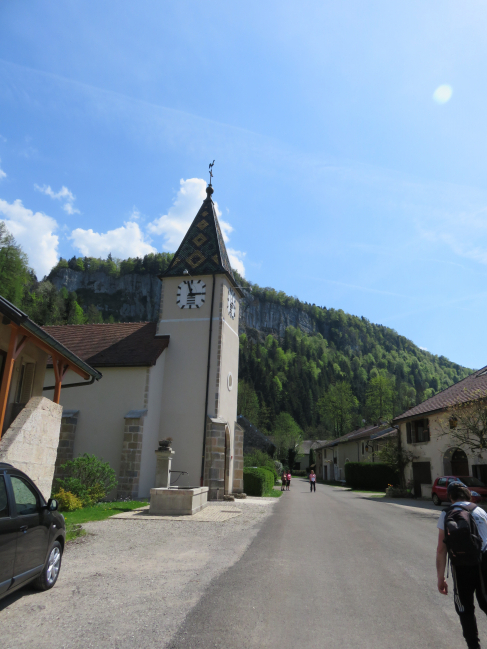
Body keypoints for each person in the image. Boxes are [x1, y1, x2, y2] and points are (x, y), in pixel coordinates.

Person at [436, 481, 487, 649]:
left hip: (460, 565)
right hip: (484, 562)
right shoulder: (480, 511)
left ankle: (474, 646)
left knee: (464, 607)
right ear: (468, 495)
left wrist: (441, 578)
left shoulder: (446, 513)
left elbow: (441, 549)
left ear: (450, 497)